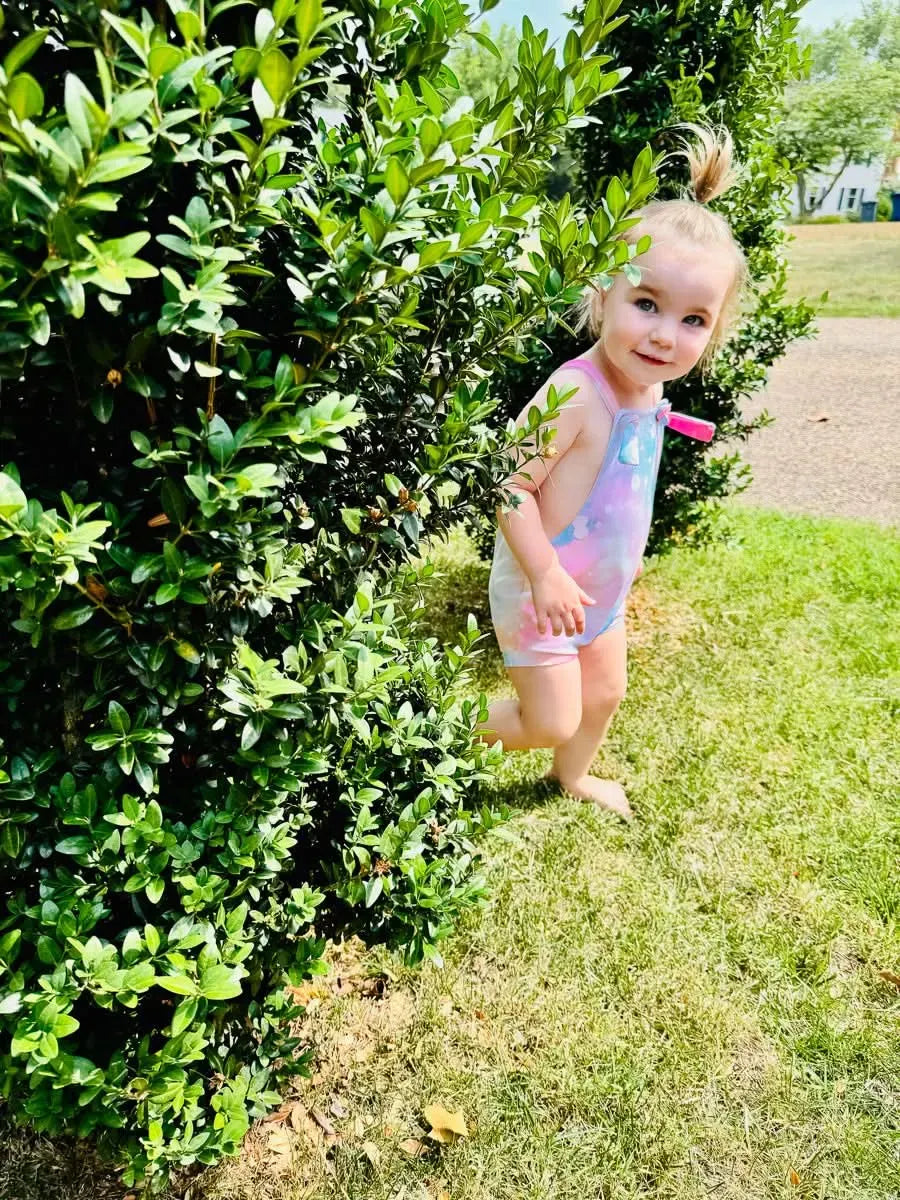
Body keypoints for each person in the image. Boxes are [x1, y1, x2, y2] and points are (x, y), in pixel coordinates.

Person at [478, 126, 747, 820]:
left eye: (693, 320)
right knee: (550, 720)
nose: (664, 334)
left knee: (603, 694)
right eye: (647, 304)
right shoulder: (575, 392)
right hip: (543, 588)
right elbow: (506, 485)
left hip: (599, 591)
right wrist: (544, 573)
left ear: (712, 332)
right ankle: (438, 739)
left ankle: (573, 780)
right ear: (603, 295)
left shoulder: (647, 386)